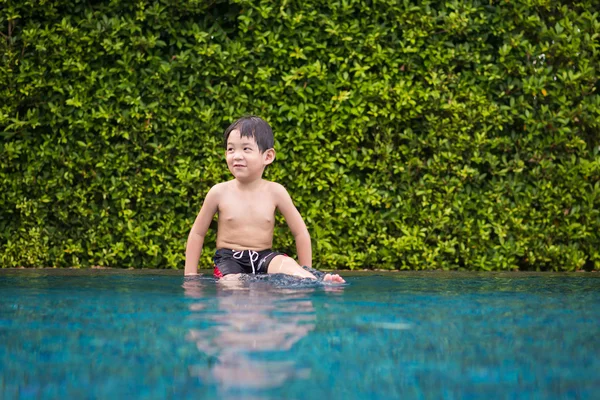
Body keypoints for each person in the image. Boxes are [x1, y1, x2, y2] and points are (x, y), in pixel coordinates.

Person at [184, 116, 345, 283]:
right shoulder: (218, 192)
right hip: (230, 259)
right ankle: (233, 283)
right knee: (231, 283)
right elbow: (197, 233)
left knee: (286, 263)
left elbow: (300, 232)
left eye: (246, 149)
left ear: (268, 156)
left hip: (264, 256)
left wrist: (305, 269)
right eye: (231, 149)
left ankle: (312, 278)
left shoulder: (276, 192)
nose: (237, 156)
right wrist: (190, 276)